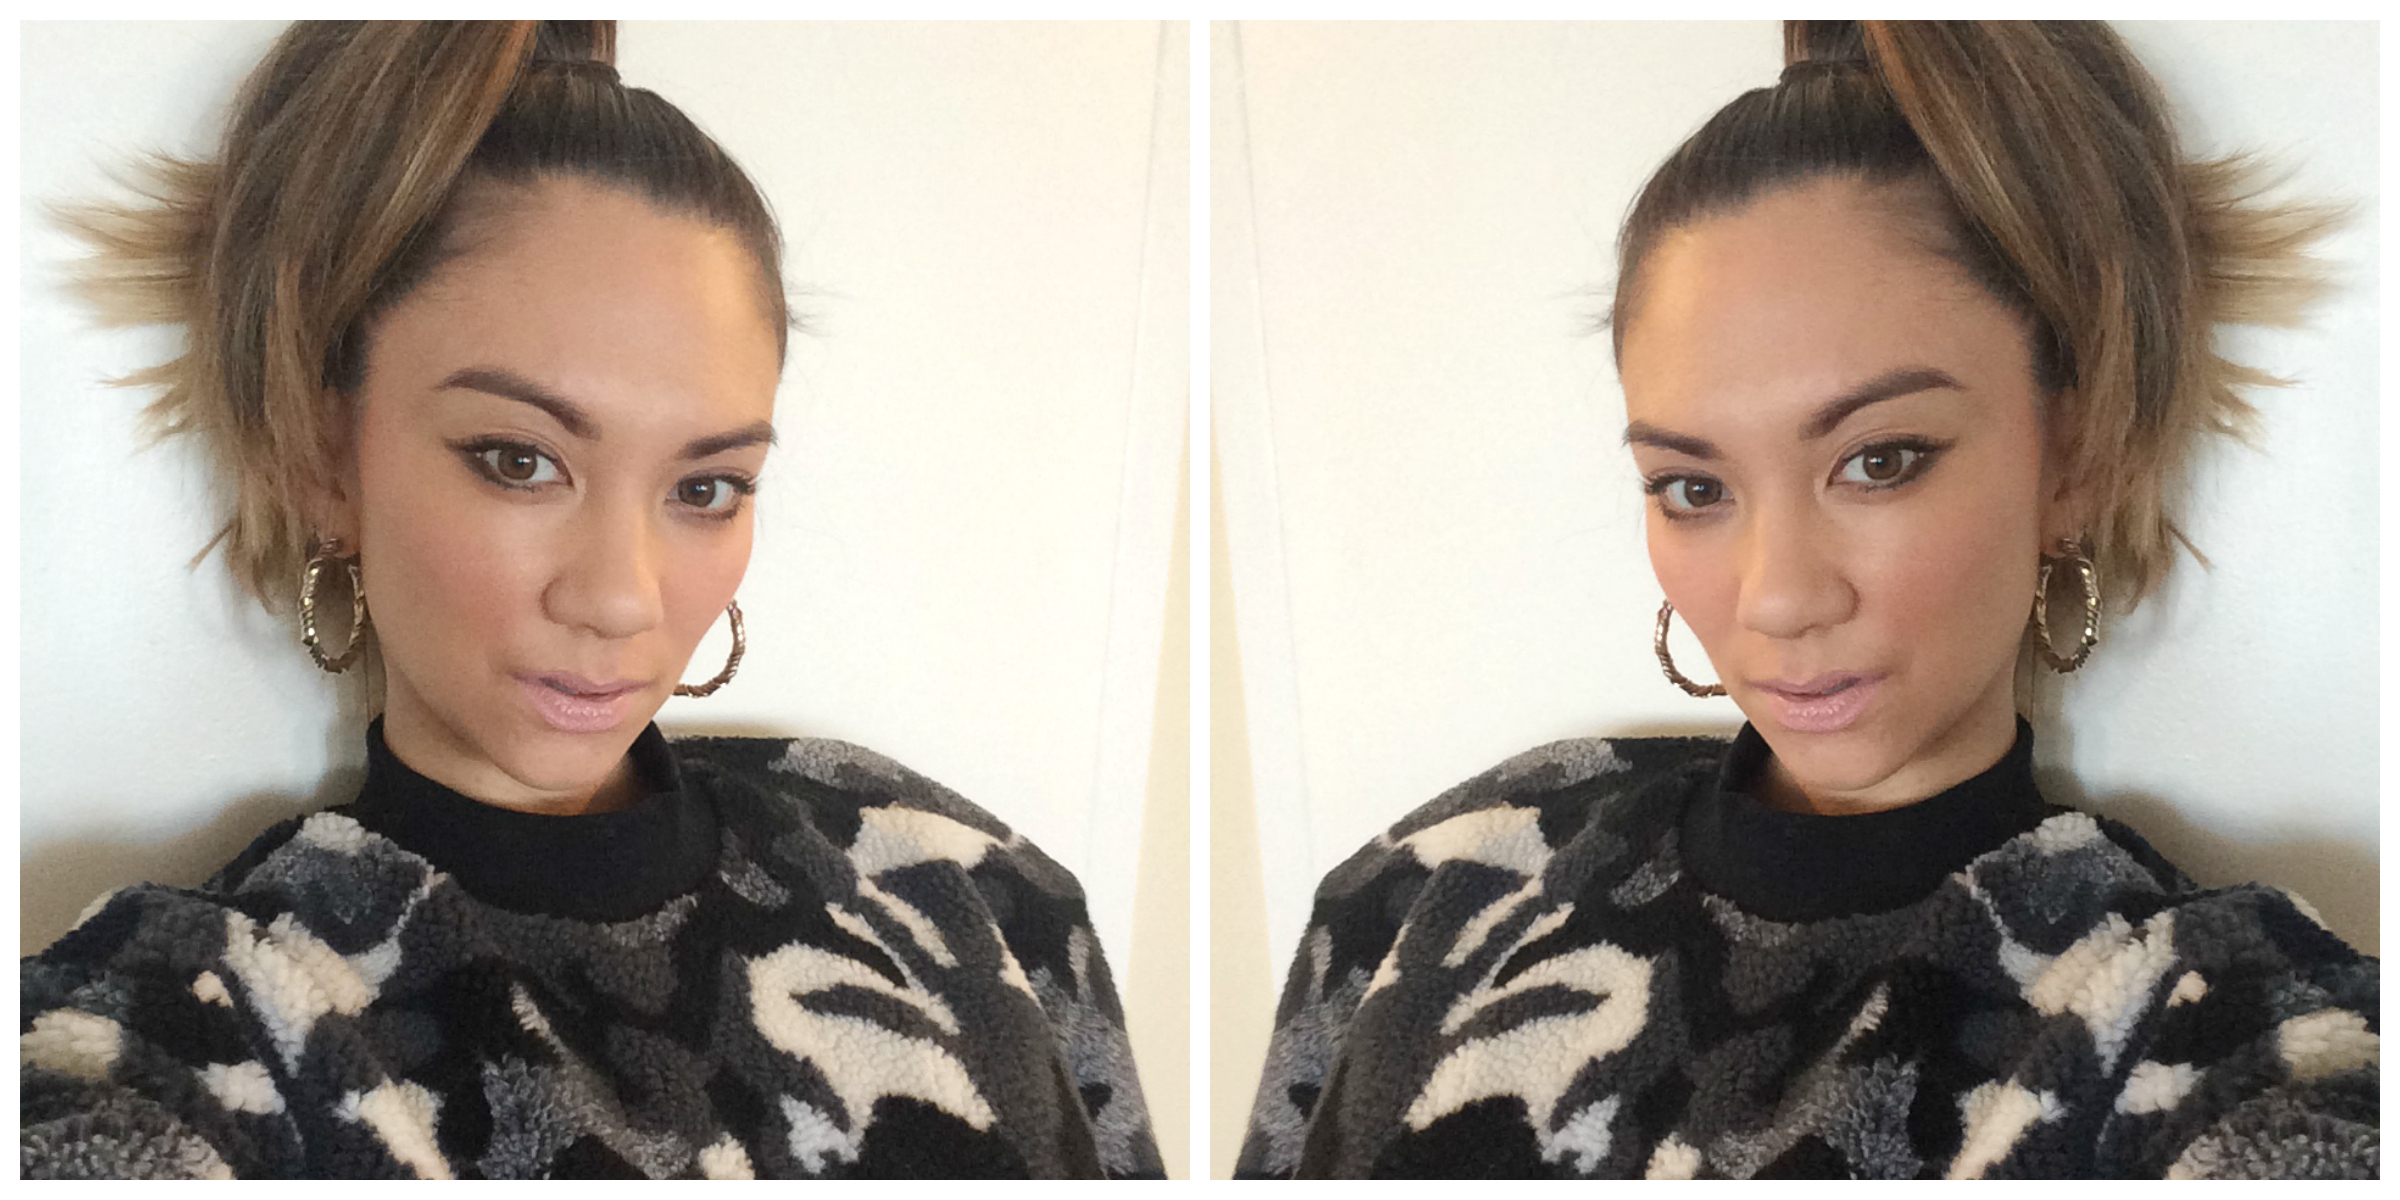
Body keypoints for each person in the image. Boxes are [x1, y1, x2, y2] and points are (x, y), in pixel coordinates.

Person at [1235, 21, 2375, 1179]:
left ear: (2072, 462)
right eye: (1693, 488)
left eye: (1879, 460)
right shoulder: (1450, 875)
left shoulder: (2178, 1016)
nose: (1777, 599)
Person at [20, 21, 1161, 1180]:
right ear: (326, 463)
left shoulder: (948, 873)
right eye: (520, 460)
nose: (621, 598)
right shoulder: (218, 1016)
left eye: (705, 488)